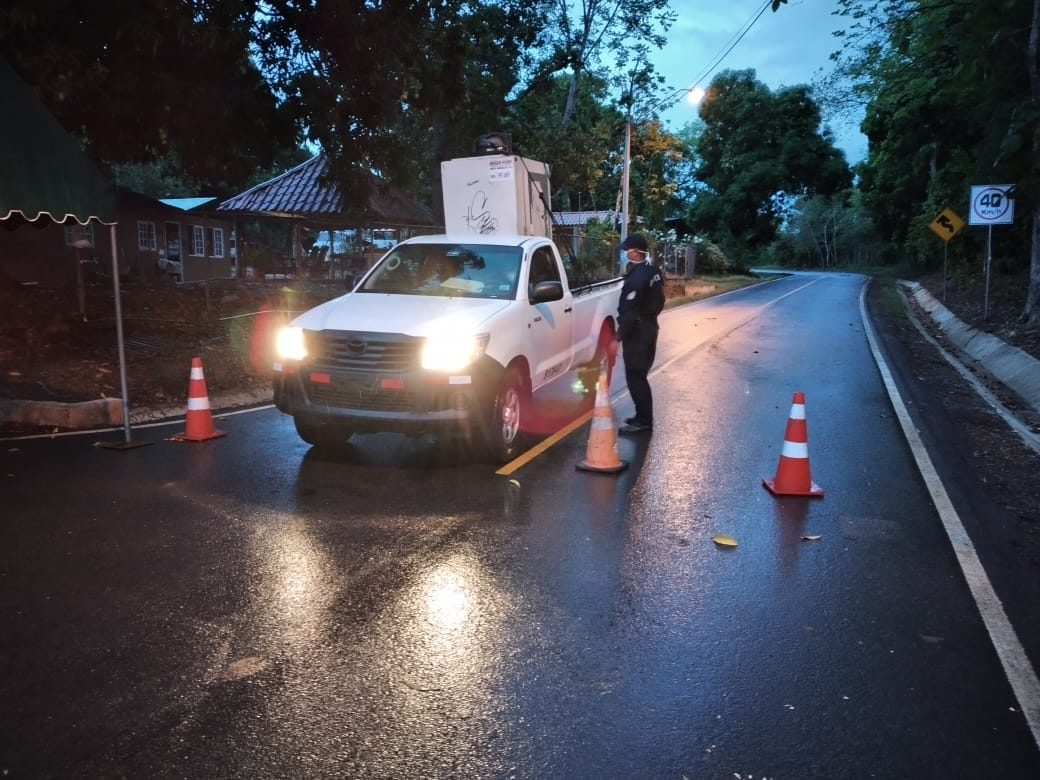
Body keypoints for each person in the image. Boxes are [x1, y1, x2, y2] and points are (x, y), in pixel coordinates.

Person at [613, 233, 664, 434]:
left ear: (635, 252)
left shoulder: (637, 278)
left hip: (638, 332)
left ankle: (643, 421)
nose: (625, 253)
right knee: (639, 375)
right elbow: (660, 301)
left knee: (635, 376)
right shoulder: (652, 271)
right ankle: (642, 416)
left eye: (628, 250)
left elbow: (630, 311)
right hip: (650, 327)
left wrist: (618, 337)